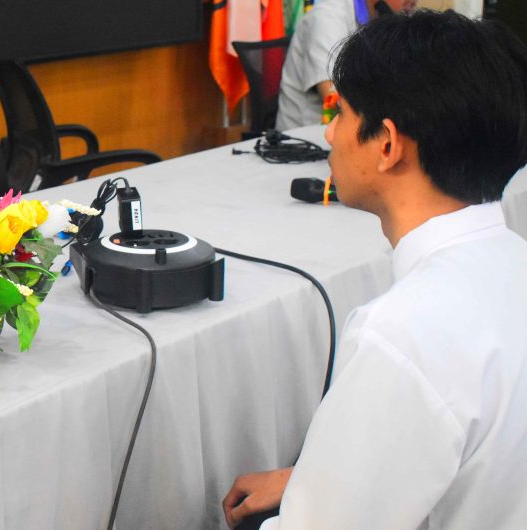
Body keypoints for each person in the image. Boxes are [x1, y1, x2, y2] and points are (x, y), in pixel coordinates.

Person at [225, 10, 527, 529]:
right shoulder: (514, 261)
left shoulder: (401, 334)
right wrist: (312, 478)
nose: (328, 133)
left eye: (341, 113)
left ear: (387, 145)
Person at [276, 0, 416, 131]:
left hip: (356, 135)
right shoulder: (327, 17)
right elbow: (335, 98)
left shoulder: (390, 20)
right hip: (306, 139)